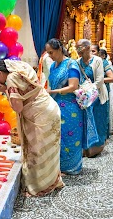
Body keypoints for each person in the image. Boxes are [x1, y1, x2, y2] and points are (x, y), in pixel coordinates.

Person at [0, 59, 64, 196]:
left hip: (40, 115)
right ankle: (53, 181)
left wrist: (5, 90)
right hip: (49, 108)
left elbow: (18, 107)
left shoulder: (11, 79)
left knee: (38, 150)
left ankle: (41, 186)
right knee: (50, 148)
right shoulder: (17, 65)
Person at [45, 38, 83, 175]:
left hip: (69, 107)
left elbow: (74, 86)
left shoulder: (71, 64)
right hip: (55, 106)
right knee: (58, 136)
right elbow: (51, 84)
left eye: (51, 52)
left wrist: (52, 92)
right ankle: (59, 166)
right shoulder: (52, 66)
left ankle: (72, 167)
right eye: (48, 53)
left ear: (60, 49)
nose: (50, 56)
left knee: (69, 136)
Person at [76, 39, 109, 157]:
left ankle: (96, 148)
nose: (77, 50)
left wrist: (90, 90)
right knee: (85, 122)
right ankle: (85, 148)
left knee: (98, 121)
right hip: (84, 98)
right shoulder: (77, 62)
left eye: (79, 47)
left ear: (87, 47)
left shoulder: (97, 60)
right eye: (77, 47)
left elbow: (100, 80)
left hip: (97, 96)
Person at [99, 49, 113, 136]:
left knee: (110, 108)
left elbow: (111, 77)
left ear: (104, 56)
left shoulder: (105, 63)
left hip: (106, 88)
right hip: (94, 89)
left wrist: (98, 81)